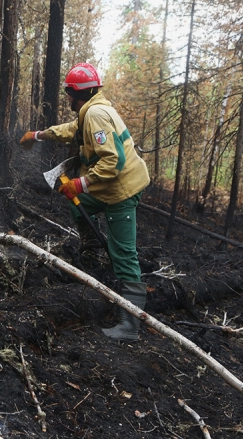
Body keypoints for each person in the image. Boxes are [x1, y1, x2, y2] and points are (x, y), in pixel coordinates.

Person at [19, 62, 150, 341]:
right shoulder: (90, 112)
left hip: (121, 192)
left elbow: (113, 161)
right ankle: (91, 247)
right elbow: (70, 130)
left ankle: (131, 325)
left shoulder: (96, 116)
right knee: (79, 205)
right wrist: (39, 135)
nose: (67, 98)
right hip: (107, 188)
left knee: (124, 255)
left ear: (76, 92)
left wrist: (79, 183)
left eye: (68, 93)